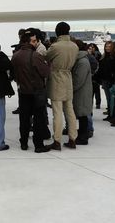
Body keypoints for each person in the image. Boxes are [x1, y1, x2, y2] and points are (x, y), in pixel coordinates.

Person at [10, 32, 50, 152]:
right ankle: (38, 145)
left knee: (24, 118)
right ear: (27, 42)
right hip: (36, 92)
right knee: (38, 119)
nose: (36, 42)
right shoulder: (35, 56)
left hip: (23, 91)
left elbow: (13, 74)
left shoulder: (15, 56)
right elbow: (45, 72)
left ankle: (24, 142)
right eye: (33, 41)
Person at [45, 22, 79, 150]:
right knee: (70, 111)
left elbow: (46, 57)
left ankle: (57, 140)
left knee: (57, 112)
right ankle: (72, 138)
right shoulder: (74, 46)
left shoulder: (56, 46)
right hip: (68, 78)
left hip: (57, 78)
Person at [95, 42, 113, 116]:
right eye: (106, 46)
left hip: (111, 80)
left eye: (109, 46)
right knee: (108, 97)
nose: (108, 48)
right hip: (105, 80)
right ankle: (110, 111)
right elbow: (101, 69)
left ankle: (112, 112)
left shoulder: (113, 57)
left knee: (112, 98)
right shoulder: (103, 57)